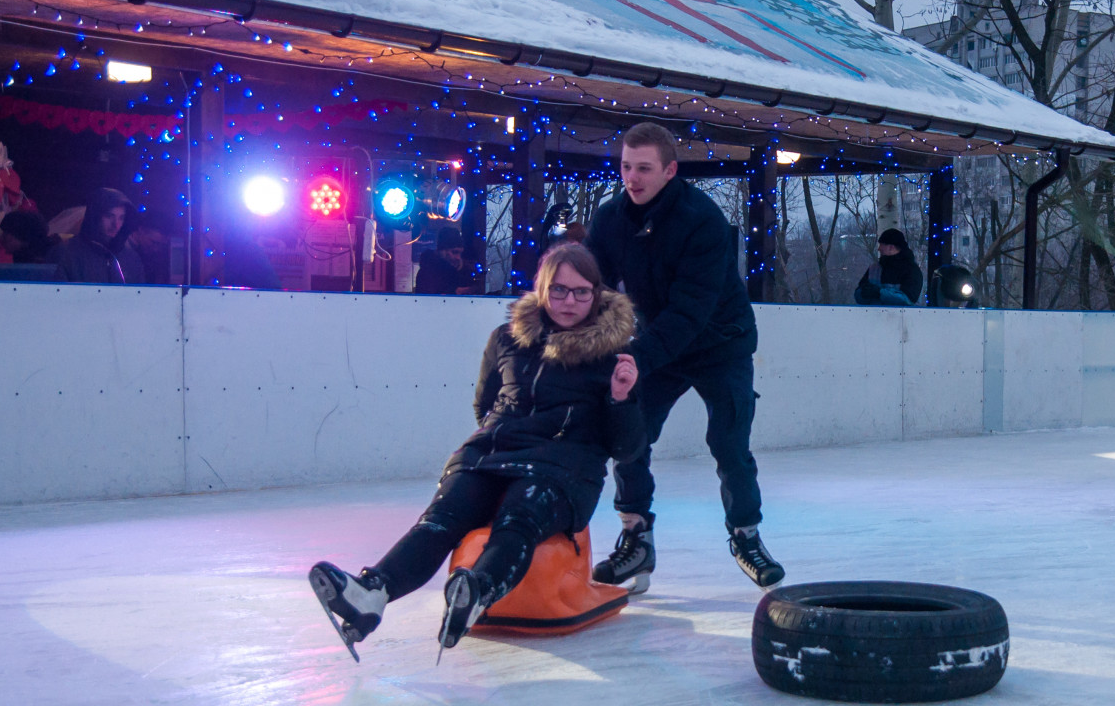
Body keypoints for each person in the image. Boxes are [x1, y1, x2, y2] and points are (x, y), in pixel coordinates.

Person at [308, 243, 644, 660]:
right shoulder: (506, 338)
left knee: (518, 519)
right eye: (558, 290)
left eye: (580, 292)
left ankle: (478, 591)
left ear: (596, 294)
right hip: (490, 455)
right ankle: (373, 592)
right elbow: (484, 405)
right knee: (439, 520)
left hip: (563, 467)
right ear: (540, 290)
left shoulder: (614, 355)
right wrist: (496, 437)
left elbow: (627, 449)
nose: (568, 301)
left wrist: (620, 399)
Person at [584, 122, 784, 591]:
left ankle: (746, 535)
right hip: (661, 344)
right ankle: (637, 538)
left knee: (729, 442)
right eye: (626, 167)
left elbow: (690, 311)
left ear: (670, 170)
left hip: (720, 342)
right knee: (628, 434)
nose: (632, 179)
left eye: (644, 169)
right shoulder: (611, 219)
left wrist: (637, 358)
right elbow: (589, 284)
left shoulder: (702, 219)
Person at [50, 188, 145, 284]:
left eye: (121, 218)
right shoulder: (66, 252)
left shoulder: (131, 258)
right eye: (109, 216)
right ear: (95, 216)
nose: (116, 224)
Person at [853, 229, 924, 306]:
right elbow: (858, 295)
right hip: (872, 316)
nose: (879, 248)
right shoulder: (874, 269)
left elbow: (909, 300)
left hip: (903, 317)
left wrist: (879, 292)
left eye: (881, 245)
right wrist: (863, 293)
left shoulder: (912, 271)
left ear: (891, 247)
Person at [414, 226, 476, 294]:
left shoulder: (460, 271)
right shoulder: (427, 272)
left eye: (460, 253)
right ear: (442, 251)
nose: (458, 257)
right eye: (454, 252)